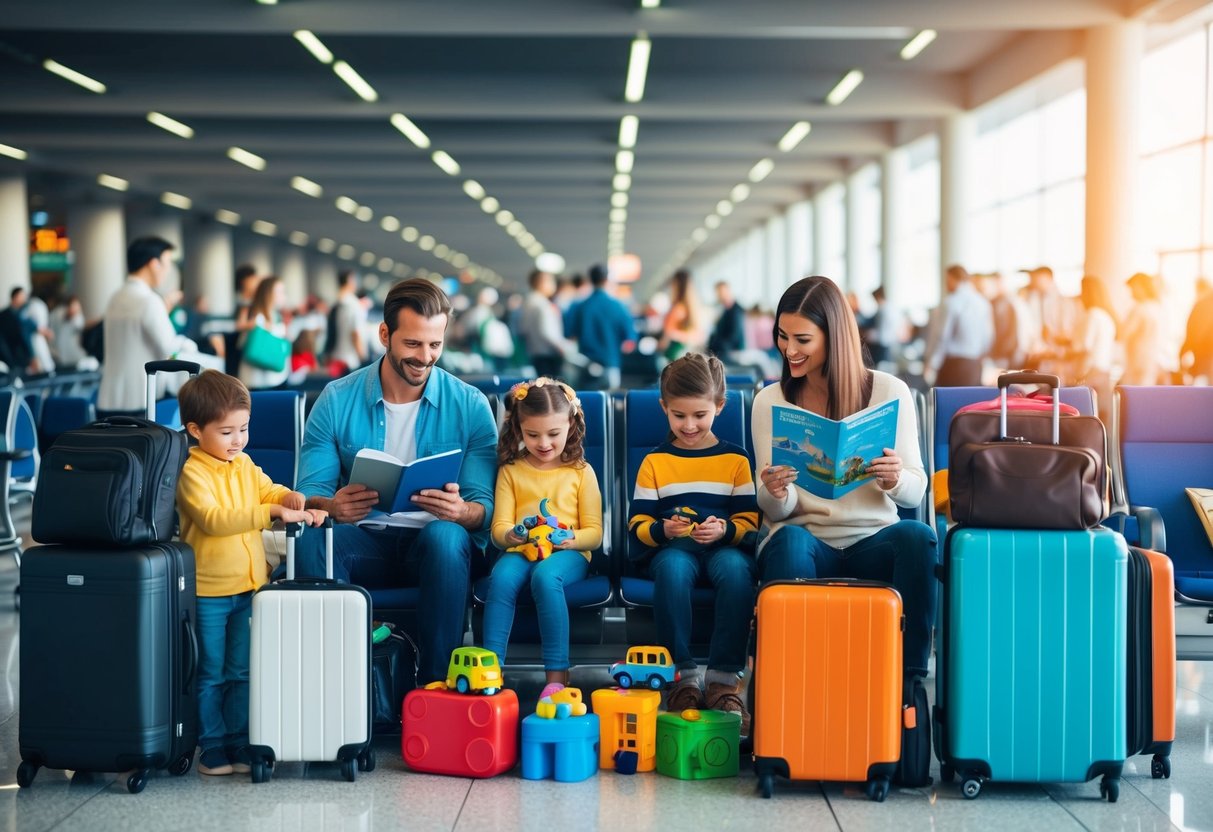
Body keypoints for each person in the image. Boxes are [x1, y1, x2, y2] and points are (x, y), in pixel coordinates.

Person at [293, 278, 498, 685]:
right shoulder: (336, 399)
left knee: (447, 536)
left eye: (435, 345)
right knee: (314, 538)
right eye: (412, 344)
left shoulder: (470, 405)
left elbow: (484, 507)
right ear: (384, 334)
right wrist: (333, 506)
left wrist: (462, 512)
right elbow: (305, 496)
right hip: (363, 541)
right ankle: (332, 680)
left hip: (434, 549)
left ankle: (438, 685)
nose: (425, 357)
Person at [752, 275, 936, 683]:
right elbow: (770, 506)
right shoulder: (771, 400)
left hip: (872, 537)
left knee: (918, 537)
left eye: (802, 339)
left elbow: (916, 489)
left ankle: (908, 680)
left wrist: (893, 480)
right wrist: (776, 491)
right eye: (783, 337)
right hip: (802, 535)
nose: (788, 350)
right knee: (789, 541)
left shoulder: (890, 391)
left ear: (834, 337)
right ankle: (788, 675)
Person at [174, 370, 328, 776]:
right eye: (226, 432)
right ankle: (211, 745)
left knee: (241, 670)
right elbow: (213, 519)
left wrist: (288, 496)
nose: (238, 440)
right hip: (208, 591)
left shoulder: (242, 463)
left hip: (250, 587)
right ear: (194, 430)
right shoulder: (192, 472)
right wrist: (272, 512)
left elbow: (268, 489)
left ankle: (240, 740)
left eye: (243, 429)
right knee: (210, 672)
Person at [628, 353, 758, 732]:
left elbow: (749, 520)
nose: (689, 425)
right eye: (678, 415)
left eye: (699, 415)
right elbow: (638, 521)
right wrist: (663, 530)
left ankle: (723, 678)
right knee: (670, 567)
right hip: (675, 549)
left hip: (724, 548)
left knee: (736, 570)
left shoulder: (736, 459)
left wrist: (724, 530)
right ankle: (682, 675)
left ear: (719, 406)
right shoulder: (655, 461)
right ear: (664, 408)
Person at [483, 377, 603, 702]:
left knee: (545, 576)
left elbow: (594, 534)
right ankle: (490, 671)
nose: (544, 443)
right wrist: (513, 534)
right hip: (522, 547)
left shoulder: (581, 472)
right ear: (519, 429)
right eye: (532, 435)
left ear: (570, 426)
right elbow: (498, 532)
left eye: (553, 434)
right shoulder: (511, 471)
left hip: (569, 552)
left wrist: (569, 539)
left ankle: (556, 677)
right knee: (502, 577)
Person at [97, 237, 196, 418]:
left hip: (108, 397)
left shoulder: (115, 297)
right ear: (153, 263)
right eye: (166, 264)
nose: (167, 271)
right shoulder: (149, 300)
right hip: (141, 397)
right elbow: (170, 348)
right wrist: (190, 346)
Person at [566, 264, 637, 389]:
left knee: (585, 404)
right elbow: (629, 341)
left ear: (590, 280)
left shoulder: (578, 307)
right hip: (610, 364)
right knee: (608, 404)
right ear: (607, 280)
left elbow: (569, 335)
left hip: (585, 366)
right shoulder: (618, 307)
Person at [927, 265, 993, 387]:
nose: (946, 285)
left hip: (953, 366)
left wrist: (932, 364)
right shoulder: (983, 302)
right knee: (972, 404)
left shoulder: (951, 302)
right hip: (974, 365)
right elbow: (988, 336)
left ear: (953, 279)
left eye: (947, 281)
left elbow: (942, 336)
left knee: (949, 404)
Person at [237, 275, 291, 390]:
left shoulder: (276, 316)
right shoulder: (255, 316)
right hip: (257, 381)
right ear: (269, 293)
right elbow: (242, 342)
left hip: (274, 379)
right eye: (280, 292)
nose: (284, 296)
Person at [660, 269, 706, 362]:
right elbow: (699, 337)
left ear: (677, 285)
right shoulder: (694, 309)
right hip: (688, 356)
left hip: (673, 355)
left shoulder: (677, 309)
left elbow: (667, 337)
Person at [327, 269, 367, 375]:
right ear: (350, 281)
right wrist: (363, 357)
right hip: (350, 361)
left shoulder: (335, 304)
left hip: (335, 358)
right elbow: (356, 334)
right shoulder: (354, 305)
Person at [707, 280, 746, 360]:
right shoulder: (724, 310)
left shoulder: (736, 312)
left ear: (728, 291)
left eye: (721, 292)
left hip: (732, 353)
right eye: (717, 293)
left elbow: (733, 338)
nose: (719, 296)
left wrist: (713, 345)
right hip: (724, 351)